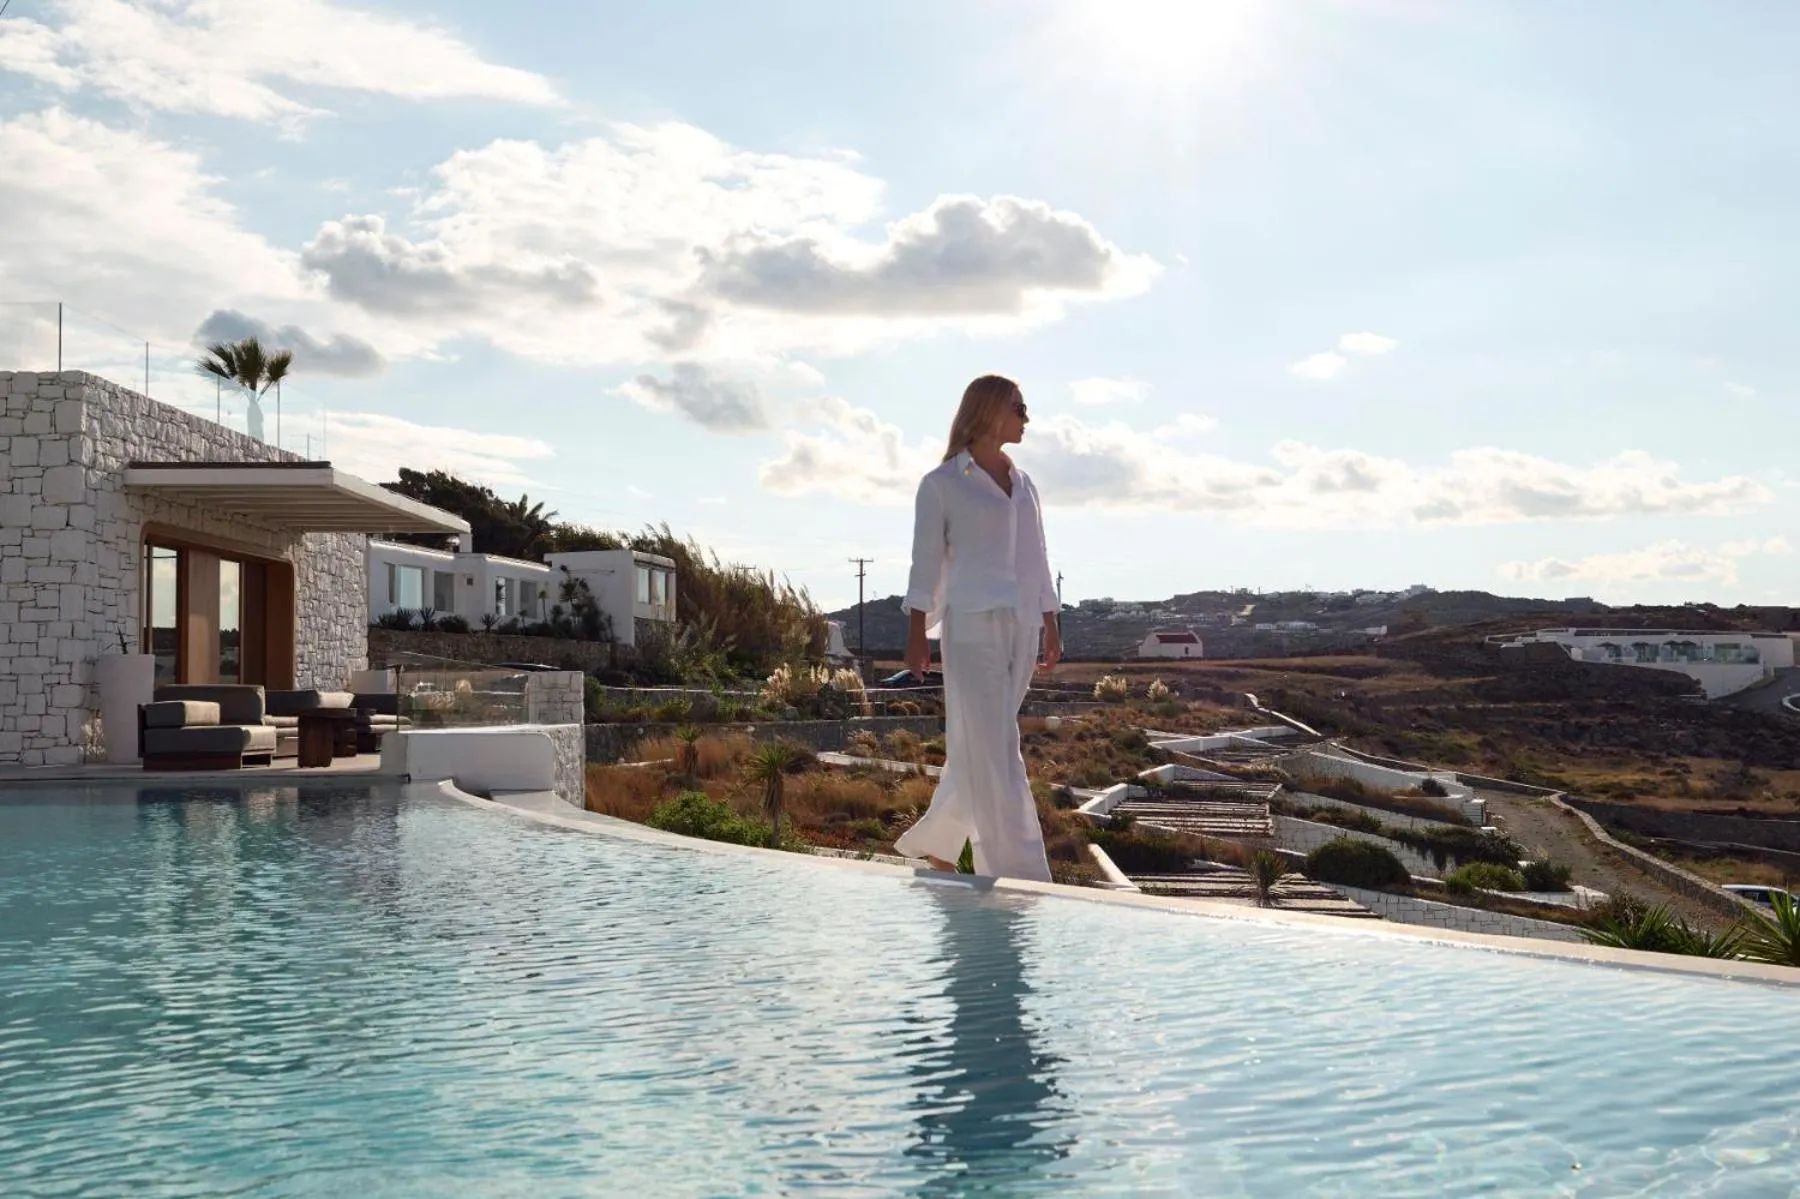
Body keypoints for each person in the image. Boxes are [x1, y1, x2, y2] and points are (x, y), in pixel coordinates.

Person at [893, 374, 1060, 882]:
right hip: (970, 626)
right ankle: (1021, 874)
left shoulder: (1025, 485)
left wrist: (1051, 621)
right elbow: (924, 563)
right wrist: (917, 633)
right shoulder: (942, 484)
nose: (1026, 417)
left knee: (983, 746)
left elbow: (1037, 557)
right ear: (989, 411)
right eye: (1018, 407)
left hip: (1022, 625)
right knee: (1000, 749)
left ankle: (939, 846)